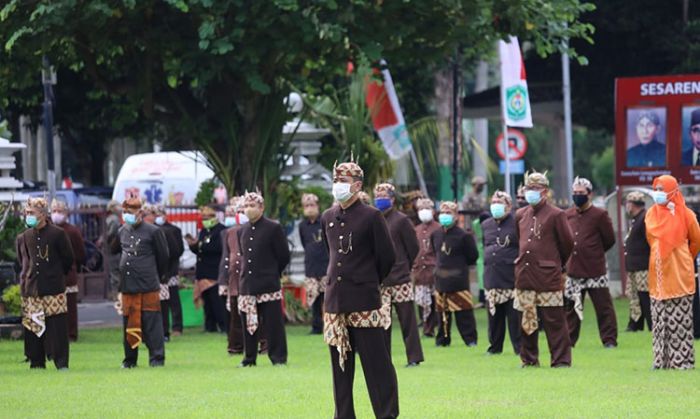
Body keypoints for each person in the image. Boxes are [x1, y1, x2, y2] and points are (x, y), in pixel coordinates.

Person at [322, 160, 398, 419]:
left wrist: (367, 280)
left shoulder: (372, 216)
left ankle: (386, 414)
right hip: (335, 301)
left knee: (376, 365)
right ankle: (343, 415)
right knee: (340, 366)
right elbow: (329, 254)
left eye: (343, 181)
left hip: (364, 300)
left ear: (357, 185)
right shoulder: (328, 217)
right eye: (336, 181)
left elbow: (387, 257)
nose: (338, 186)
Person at [514, 171, 574, 368]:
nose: (531, 192)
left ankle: (561, 360)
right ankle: (529, 360)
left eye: (535, 189)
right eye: (528, 188)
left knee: (554, 320)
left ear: (545, 191)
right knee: (527, 320)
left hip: (548, 276)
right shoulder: (521, 215)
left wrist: (555, 263)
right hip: (525, 275)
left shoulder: (556, 214)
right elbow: (518, 241)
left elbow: (567, 244)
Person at [646, 175, 700, 369]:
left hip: (679, 274)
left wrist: (683, 258)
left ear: (673, 190)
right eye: (656, 188)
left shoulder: (687, 215)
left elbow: (696, 241)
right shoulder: (651, 214)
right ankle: (660, 361)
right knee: (659, 320)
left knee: (680, 322)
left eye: (662, 189)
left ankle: (681, 361)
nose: (658, 193)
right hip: (658, 273)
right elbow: (651, 241)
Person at [17, 197, 74, 369]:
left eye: (31, 213)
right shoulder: (24, 237)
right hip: (31, 288)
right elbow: (23, 261)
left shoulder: (58, 234)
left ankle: (61, 362)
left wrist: (55, 275)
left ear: (42, 214)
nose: (28, 216)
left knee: (57, 327)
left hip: (54, 287)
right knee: (33, 326)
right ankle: (36, 362)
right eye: (27, 213)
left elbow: (68, 259)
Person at [112, 197, 170, 368]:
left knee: (152, 322)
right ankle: (130, 360)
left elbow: (163, 257)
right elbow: (115, 250)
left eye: (130, 211)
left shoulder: (153, 231)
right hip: (128, 285)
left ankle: (156, 358)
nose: (127, 215)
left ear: (140, 212)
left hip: (148, 284)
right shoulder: (122, 230)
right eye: (125, 212)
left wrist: (158, 276)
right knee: (129, 322)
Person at [237, 191, 290, 367]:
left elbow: (283, 256)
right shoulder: (242, 230)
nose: (249, 209)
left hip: (268, 284)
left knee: (273, 324)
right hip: (247, 285)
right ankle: (249, 358)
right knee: (248, 323)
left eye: (252, 206)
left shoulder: (273, 228)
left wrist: (273, 273)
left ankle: (278, 357)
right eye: (246, 206)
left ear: (262, 208)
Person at [564, 177, 617, 348]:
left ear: (589, 194)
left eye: (581, 193)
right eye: (575, 193)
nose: (577, 196)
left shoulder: (599, 215)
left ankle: (609, 340)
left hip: (594, 270)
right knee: (571, 308)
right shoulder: (568, 215)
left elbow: (609, 239)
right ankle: (569, 341)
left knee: (603, 308)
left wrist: (594, 252)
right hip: (574, 269)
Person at [374, 182, 424, 367]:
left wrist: (405, 266)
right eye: (377, 195)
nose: (379, 198)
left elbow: (413, 247)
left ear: (392, 199)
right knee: (383, 322)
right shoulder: (374, 219)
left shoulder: (401, 220)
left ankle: (414, 357)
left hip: (400, 278)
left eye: (383, 195)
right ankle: (384, 358)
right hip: (381, 280)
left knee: (407, 320)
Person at [431, 201, 479, 348]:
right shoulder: (436, 234)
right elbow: (436, 252)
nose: (445, 216)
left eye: (449, 213)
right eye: (443, 213)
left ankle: (470, 339)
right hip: (441, 280)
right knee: (442, 314)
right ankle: (443, 340)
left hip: (458, 279)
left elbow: (473, 256)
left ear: (456, 216)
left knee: (463, 312)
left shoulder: (464, 236)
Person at [481, 190, 521, 355]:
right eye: (493, 203)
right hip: (492, 276)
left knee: (514, 317)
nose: (496, 206)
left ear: (509, 206)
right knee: (494, 316)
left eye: (500, 203)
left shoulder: (517, 222)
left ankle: (520, 348)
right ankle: (495, 347)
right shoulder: (486, 225)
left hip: (511, 277)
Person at [186, 205, 228, 333]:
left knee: (217, 302)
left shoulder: (221, 230)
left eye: (206, 217)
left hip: (214, 271)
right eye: (202, 218)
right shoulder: (204, 231)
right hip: (203, 271)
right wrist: (193, 245)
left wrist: (200, 245)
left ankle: (224, 325)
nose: (204, 220)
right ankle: (210, 326)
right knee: (207, 302)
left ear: (213, 217)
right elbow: (199, 249)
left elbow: (217, 248)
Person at [50, 199, 86, 342]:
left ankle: (71, 334)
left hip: (68, 274)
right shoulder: (47, 229)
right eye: (54, 211)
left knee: (70, 307)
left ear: (66, 213)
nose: (56, 214)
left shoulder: (72, 231)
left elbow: (80, 253)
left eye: (60, 211)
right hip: (51, 276)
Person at [148, 205, 185, 340]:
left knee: (173, 299)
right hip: (155, 272)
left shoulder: (173, 230)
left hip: (170, 270)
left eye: (159, 214)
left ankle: (177, 326)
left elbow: (178, 250)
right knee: (159, 301)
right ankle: (160, 328)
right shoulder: (152, 231)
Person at [298, 193, 329, 335]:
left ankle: (329, 325)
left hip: (326, 265)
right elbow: (305, 244)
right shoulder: (302, 226)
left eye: (312, 205)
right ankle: (316, 326)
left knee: (327, 297)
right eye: (306, 206)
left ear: (317, 206)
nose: (309, 208)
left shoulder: (325, 221)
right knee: (314, 298)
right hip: (311, 266)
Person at [218, 197, 245, 354]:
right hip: (233, 279)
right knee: (234, 315)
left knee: (256, 315)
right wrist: (223, 280)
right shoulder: (229, 232)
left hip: (252, 280)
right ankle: (235, 346)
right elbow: (226, 257)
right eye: (238, 212)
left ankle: (263, 345)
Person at [411, 198, 441, 337]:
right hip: (419, 271)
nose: (423, 211)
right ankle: (426, 325)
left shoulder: (439, 229)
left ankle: (433, 327)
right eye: (420, 209)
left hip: (434, 271)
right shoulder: (416, 230)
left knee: (435, 300)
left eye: (426, 208)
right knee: (421, 301)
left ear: (433, 210)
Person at [623, 191, 652, 332]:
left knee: (644, 295)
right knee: (634, 295)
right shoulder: (635, 220)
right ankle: (635, 324)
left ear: (632, 204)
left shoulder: (645, 219)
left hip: (643, 266)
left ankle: (652, 324)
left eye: (627, 203)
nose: (626, 206)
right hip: (634, 266)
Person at [104, 200, 122, 299]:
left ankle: (115, 293)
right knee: (115, 271)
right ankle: (116, 293)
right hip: (112, 247)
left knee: (114, 270)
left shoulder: (110, 218)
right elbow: (111, 233)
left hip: (111, 247)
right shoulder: (114, 219)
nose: (120, 209)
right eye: (118, 206)